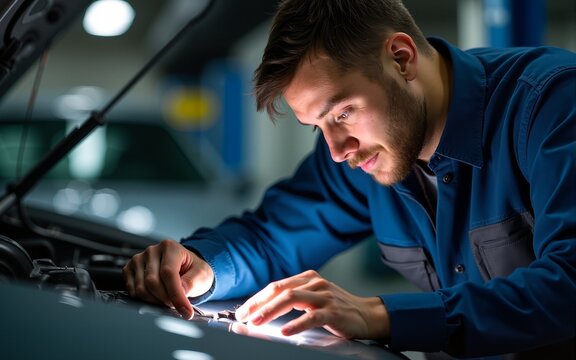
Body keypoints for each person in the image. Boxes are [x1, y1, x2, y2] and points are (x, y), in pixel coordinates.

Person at [122, 0, 576, 358]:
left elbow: (568, 282)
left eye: (343, 112)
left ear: (401, 58)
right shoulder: (362, 153)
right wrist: (203, 267)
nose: (339, 151)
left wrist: (379, 314)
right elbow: (272, 237)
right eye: (319, 126)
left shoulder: (551, 105)